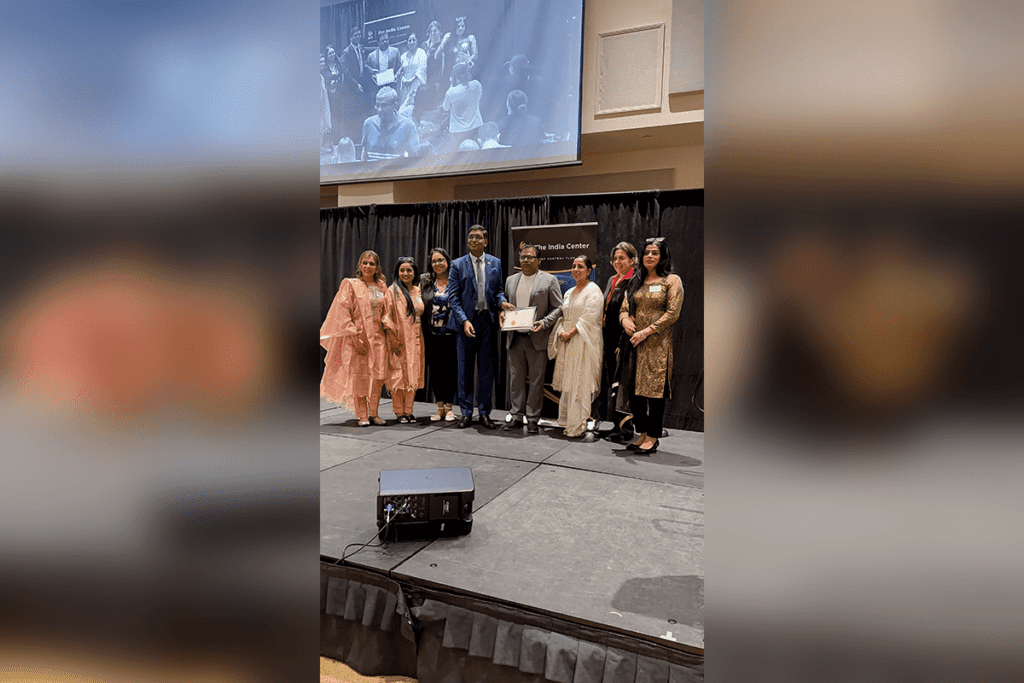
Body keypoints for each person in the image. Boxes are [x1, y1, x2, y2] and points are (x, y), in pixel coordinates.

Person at [320, 250, 401, 426]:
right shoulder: (351, 284)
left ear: (377, 267)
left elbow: (386, 313)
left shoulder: (381, 286)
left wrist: (392, 333)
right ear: (359, 265)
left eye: (372, 263)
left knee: (378, 377)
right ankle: (362, 415)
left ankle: (374, 413)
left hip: (379, 338)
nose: (368, 266)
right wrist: (354, 337)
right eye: (365, 263)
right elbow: (343, 312)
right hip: (359, 338)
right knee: (360, 376)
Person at [618, 237, 684, 454]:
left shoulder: (671, 281)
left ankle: (653, 436)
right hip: (634, 344)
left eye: (654, 253)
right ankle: (642, 433)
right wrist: (625, 319)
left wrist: (646, 332)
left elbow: (673, 312)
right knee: (634, 393)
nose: (649, 256)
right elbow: (624, 307)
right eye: (646, 252)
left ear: (662, 256)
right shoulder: (636, 281)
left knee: (654, 393)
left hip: (656, 345)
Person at [446, 225, 506, 429]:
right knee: (465, 370)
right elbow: (453, 298)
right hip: (466, 324)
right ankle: (465, 412)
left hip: (487, 322)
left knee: (486, 370)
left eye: (478, 237)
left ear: (485, 241)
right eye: (470, 237)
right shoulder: (457, 264)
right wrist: (463, 320)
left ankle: (484, 412)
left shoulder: (495, 263)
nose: (473, 240)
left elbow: (498, 291)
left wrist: (502, 303)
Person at [499, 244, 563, 434]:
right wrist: (503, 313)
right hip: (514, 337)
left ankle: (533, 418)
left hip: (537, 338)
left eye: (530, 257)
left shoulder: (549, 280)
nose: (525, 260)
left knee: (536, 381)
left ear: (539, 260)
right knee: (515, 380)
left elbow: (559, 308)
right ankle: (516, 416)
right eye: (522, 257)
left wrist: (544, 323)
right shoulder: (511, 280)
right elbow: (506, 305)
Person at [548, 256, 604, 437]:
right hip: (568, 343)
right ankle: (569, 421)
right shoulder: (568, 292)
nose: (576, 269)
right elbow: (565, 316)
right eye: (573, 266)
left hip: (583, 342)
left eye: (580, 266)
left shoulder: (593, 290)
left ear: (588, 270)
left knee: (581, 383)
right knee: (570, 383)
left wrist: (571, 332)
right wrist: (562, 332)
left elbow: (590, 317)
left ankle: (578, 424)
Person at [599, 242, 637, 442]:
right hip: (608, 337)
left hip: (623, 339)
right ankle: (616, 425)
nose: (617, 262)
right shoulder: (612, 279)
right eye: (615, 258)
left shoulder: (635, 279)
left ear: (632, 260)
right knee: (612, 384)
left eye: (622, 258)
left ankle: (627, 429)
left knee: (623, 385)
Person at [420, 248, 458, 422]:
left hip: (452, 334)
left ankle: (450, 408)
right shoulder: (425, 282)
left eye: (441, 260)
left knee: (450, 370)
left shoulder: (456, 280)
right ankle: (439, 407)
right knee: (435, 371)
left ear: (447, 261)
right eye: (434, 261)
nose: (438, 264)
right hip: (432, 334)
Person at [386, 257, 425, 423]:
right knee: (398, 375)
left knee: (413, 374)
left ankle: (409, 410)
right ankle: (399, 412)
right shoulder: (392, 291)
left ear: (414, 272)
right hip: (398, 339)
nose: (405, 273)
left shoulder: (417, 290)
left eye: (409, 270)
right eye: (402, 270)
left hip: (416, 338)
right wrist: (393, 339)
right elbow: (386, 317)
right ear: (397, 272)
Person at [360, 86, 421, 160]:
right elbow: (364, 153)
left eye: (384, 105)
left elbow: (414, 158)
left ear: (395, 105)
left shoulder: (408, 126)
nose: (379, 109)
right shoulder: (368, 124)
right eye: (377, 105)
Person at [340, 27, 371, 141]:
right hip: (352, 89)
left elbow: (362, 64)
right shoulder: (346, 52)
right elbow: (346, 71)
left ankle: (360, 137)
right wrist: (355, 84)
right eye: (355, 35)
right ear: (350, 37)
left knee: (360, 114)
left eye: (359, 35)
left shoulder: (360, 48)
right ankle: (353, 140)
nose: (358, 37)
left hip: (361, 87)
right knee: (353, 116)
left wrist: (370, 70)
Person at [442, 62, 483, 144]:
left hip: (458, 131)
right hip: (476, 126)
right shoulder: (476, 84)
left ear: (455, 77)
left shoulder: (451, 92)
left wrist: (452, 84)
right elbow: (479, 97)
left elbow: (445, 107)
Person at [398, 32, 427, 111]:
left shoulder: (421, 53)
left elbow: (422, 68)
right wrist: (404, 80)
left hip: (417, 83)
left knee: (415, 108)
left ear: (417, 41)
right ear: (407, 43)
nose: (412, 42)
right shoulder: (403, 56)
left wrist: (412, 79)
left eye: (414, 40)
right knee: (403, 109)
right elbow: (400, 71)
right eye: (409, 40)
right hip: (405, 86)